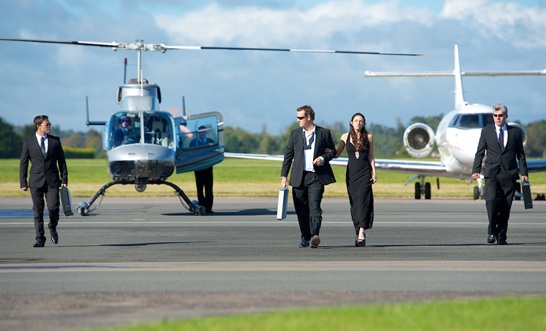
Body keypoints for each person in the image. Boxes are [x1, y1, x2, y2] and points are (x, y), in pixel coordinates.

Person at [471, 103, 528, 245]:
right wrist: (476, 170)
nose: (498, 118)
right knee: (491, 201)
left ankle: (501, 236)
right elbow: (479, 152)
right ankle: (491, 231)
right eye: (495, 116)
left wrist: (524, 173)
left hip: (509, 174)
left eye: (500, 116)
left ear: (506, 116)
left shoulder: (515, 133)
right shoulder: (486, 131)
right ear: (493, 117)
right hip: (492, 174)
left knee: (505, 206)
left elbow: (520, 155)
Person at [281, 105, 337, 248]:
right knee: (301, 210)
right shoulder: (295, 134)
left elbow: (332, 152)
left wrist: (323, 158)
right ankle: (305, 236)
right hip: (299, 177)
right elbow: (288, 156)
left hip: (316, 177)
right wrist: (283, 176)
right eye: (297, 117)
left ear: (308, 117)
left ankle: (315, 235)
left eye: (300, 117)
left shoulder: (324, 133)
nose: (298, 120)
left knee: (315, 207)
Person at [19, 115, 68, 247]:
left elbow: (62, 162)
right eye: (47, 124)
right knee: (38, 211)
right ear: (38, 126)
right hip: (35, 181)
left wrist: (64, 179)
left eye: (49, 124)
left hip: (52, 181)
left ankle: (52, 227)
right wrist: (23, 182)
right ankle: (40, 238)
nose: (49, 126)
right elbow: (23, 163)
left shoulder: (55, 141)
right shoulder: (28, 141)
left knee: (53, 208)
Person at [333, 113, 376, 247]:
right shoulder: (345, 137)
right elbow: (337, 153)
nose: (358, 123)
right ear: (351, 122)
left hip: (364, 173)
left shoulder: (369, 137)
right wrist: (324, 150)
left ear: (364, 123)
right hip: (352, 174)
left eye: (361, 121)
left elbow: (371, 156)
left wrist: (374, 173)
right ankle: (357, 229)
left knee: (363, 201)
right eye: (356, 121)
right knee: (354, 203)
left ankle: (362, 231)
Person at [189, 126, 215, 213]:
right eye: (200, 132)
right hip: (198, 170)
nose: (202, 134)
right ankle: (201, 207)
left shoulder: (211, 142)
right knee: (199, 190)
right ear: (198, 133)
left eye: (204, 132)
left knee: (209, 189)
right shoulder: (193, 143)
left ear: (206, 133)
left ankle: (209, 208)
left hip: (208, 170)